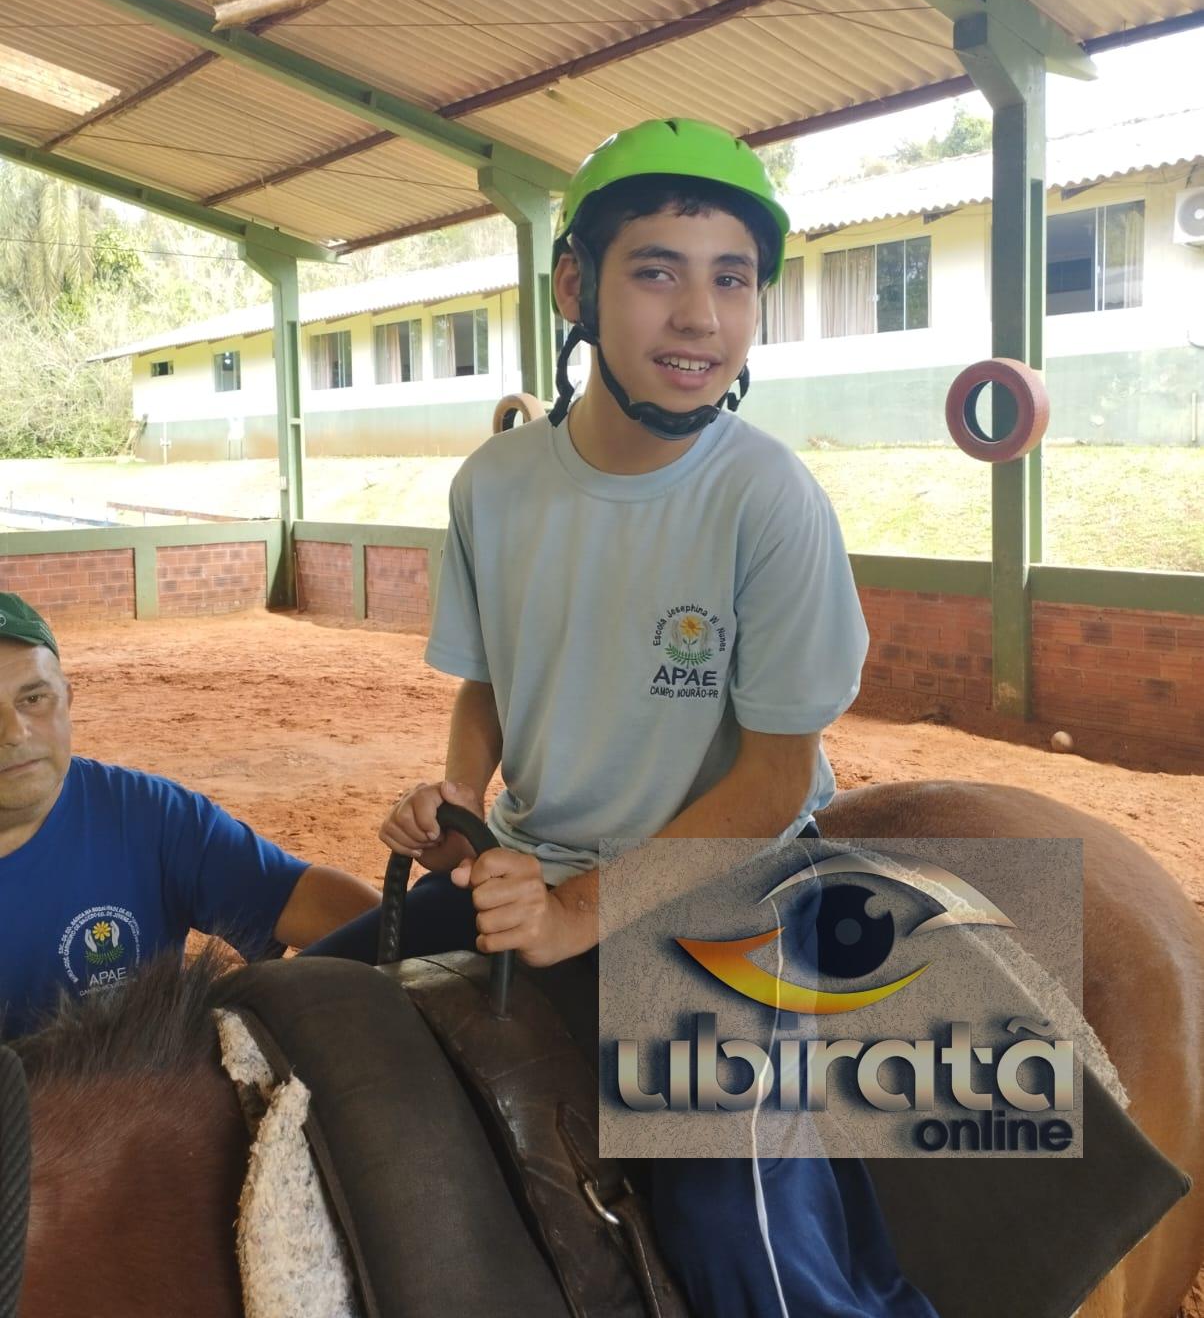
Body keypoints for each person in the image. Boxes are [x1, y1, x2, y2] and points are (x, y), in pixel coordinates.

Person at [313, 118, 937, 1316]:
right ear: (574, 288)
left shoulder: (768, 498)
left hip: (736, 883)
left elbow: (770, 779)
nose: (698, 316)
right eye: (657, 270)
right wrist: (463, 807)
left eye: (731, 278)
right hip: (543, 866)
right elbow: (487, 683)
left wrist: (574, 915)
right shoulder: (493, 484)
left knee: (729, 1223)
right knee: (298, 1012)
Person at [0, 592, 379, 1040]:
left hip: (142, 1104)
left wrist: (426, 950)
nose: (13, 732)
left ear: (67, 698)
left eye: (34, 698)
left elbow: (301, 896)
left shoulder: (148, 816)